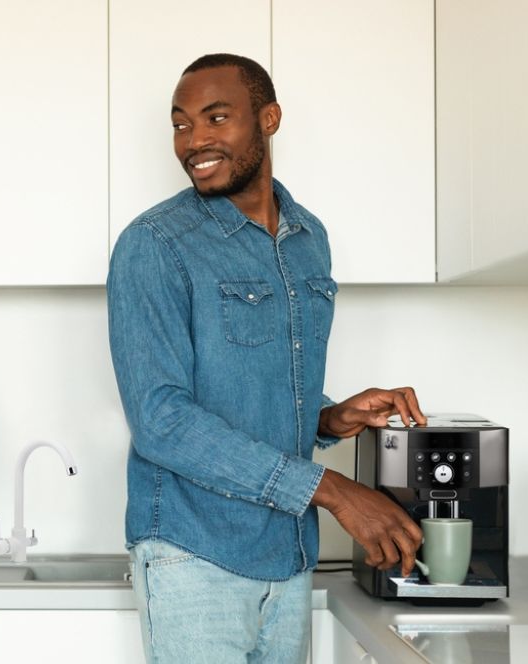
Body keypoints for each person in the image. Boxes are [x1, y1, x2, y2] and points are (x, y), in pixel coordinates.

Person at [106, 54, 426, 663]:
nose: (194, 140)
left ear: (269, 119)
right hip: (192, 552)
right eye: (180, 124)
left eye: (216, 117)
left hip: (288, 552)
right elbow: (162, 420)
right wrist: (333, 490)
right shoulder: (154, 245)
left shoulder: (309, 239)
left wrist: (332, 420)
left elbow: (256, 395)